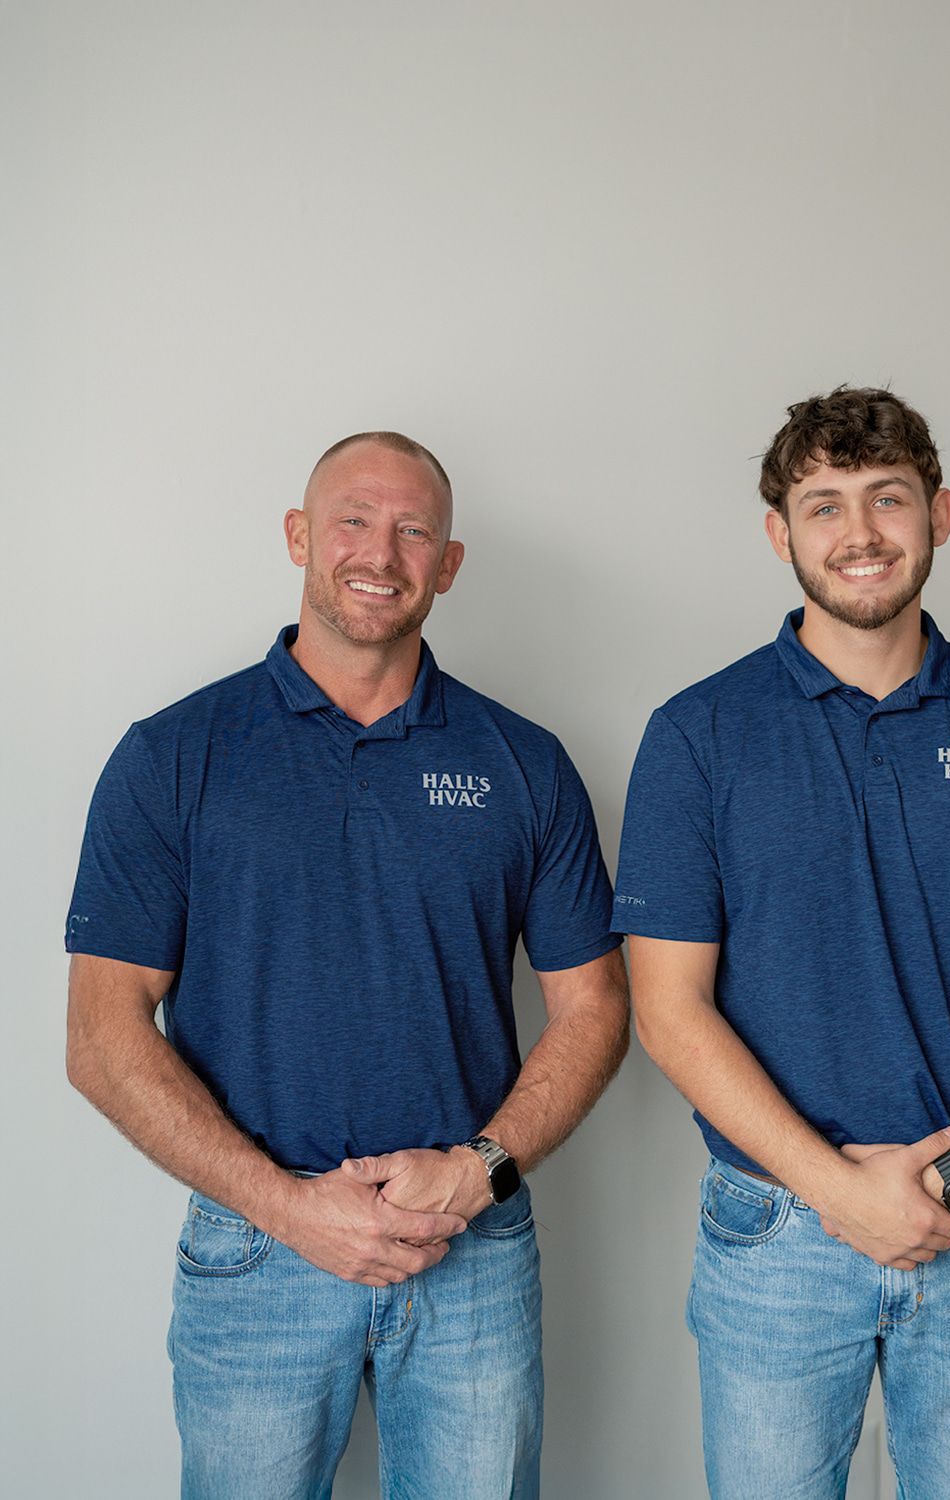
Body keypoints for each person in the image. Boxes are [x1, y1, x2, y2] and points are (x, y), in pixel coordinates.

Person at [65, 431, 629, 1500]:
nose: (383, 550)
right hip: (256, 1252)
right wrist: (286, 1206)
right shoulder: (176, 755)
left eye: (415, 528)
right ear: (298, 538)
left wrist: (477, 1172)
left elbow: (595, 1007)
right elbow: (100, 1036)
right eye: (354, 521)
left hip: (471, 1244)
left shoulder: (524, 764)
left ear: (448, 562)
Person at [613, 387, 950, 1499]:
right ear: (779, 534)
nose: (860, 533)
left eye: (887, 498)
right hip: (776, 1231)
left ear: (940, 514)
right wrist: (837, 1192)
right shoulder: (697, 734)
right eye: (824, 504)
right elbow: (667, 1007)